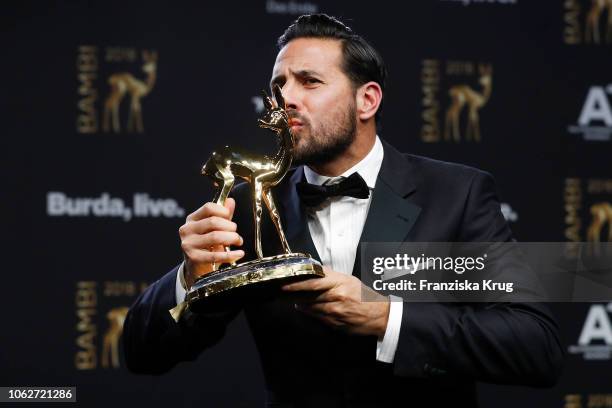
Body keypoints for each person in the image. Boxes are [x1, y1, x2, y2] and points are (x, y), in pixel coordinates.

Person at [123, 14, 563, 407]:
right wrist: (189, 278)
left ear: (367, 100)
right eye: (279, 86)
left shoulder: (457, 193)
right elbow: (143, 354)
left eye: (309, 82)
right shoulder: (248, 207)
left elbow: (534, 345)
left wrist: (386, 316)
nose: (285, 99)